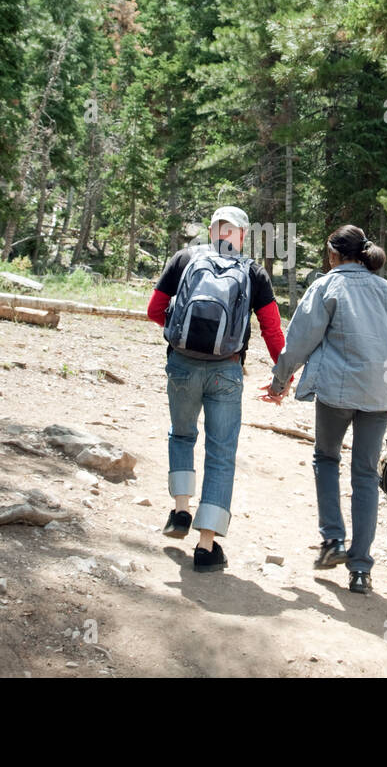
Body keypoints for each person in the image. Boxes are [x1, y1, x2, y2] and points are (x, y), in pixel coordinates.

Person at [258, 225, 387, 594]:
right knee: (364, 476)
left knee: (326, 459)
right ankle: (360, 570)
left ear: (333, 254)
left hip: (335, 393)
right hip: (379, 396)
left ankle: (332, 542)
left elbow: (299, 339)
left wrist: (279, 381)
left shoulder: (327, 286)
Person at [147, 206, 287, 572]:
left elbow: (153, 310)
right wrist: (283, 376)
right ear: (242, 235)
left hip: (181, 364)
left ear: (212, 231)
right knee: (221, 454)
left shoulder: (184, 259)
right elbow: (272, 329)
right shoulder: (253, 272)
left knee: (181, 436)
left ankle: (180, 511)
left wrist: (179, 325)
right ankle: (206, 547)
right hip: (226, 370)